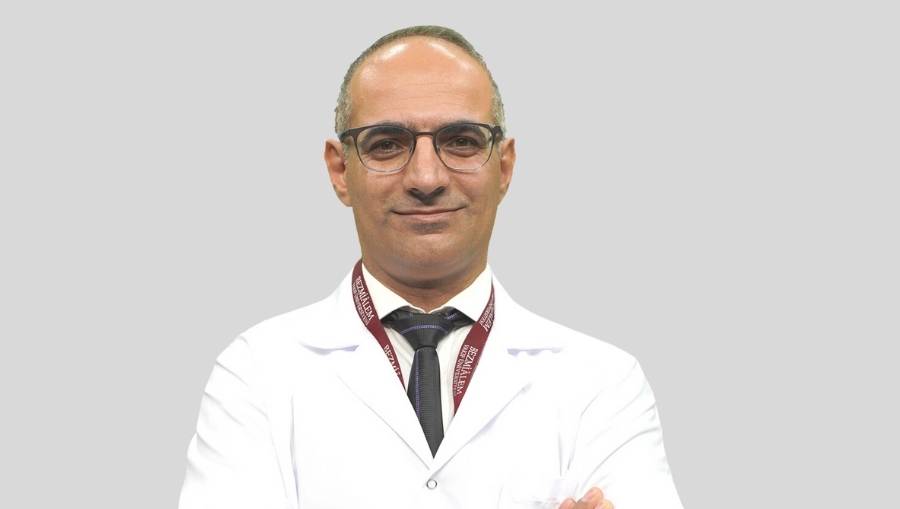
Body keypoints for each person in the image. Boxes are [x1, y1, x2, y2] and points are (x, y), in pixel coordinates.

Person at [178, 25, 684, 509]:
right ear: (340, 170)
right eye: (387, 144)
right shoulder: (256, 374)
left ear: (504, 167)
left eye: (461, 141)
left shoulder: (601, 383)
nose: (426, 177)